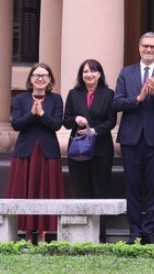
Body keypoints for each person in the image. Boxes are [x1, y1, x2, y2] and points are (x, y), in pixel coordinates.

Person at [113, 32, 154, 245]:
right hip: (131, 137)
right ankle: (134, 231)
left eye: (153, 47)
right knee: (132, 185)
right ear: (139, 47)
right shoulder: (126, 72)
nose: (148, 50)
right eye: (145, 46)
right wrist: (138, 99)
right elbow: (117, 103)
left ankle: (150, 231)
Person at [5, 62, 65, 242]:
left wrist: (43, 114)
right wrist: (32, 113)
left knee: (45, 191)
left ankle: (43, 233)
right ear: (30, 80)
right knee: (25, 191)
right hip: (26, 152)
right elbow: (16, 125)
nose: (40, 78)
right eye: (36, 75)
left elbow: (56, 124)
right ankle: (27, 232)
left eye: (44, 75)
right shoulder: (21, 99)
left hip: (48, 152)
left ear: (49, 80)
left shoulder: (56, 99)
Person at [63, 59, 117, 242]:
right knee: (80, 189)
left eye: (93, 71)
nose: (89, 74)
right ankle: (81, 235)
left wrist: (94, 131)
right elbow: (66, 120)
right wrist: (76, 118)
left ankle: (99, 235)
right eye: (85, 71)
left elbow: (111, 121)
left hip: (101, 149)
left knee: (100, 191)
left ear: (100, 74)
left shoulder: (109, 94)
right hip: (79, 149)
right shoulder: (73, 94)